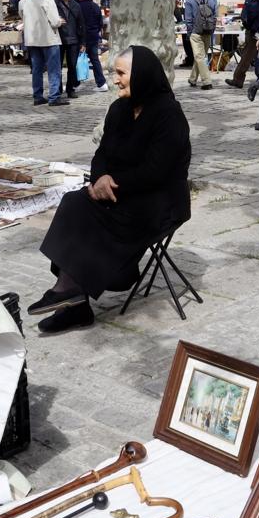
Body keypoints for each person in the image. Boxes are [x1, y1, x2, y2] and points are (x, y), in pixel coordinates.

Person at [28, 46, 191, 332]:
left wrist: (111, 184)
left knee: (101, 215)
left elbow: (157, 172)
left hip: (158, 200)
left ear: (141, 75)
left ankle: (73, 291)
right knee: (73, 203)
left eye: (120, 73)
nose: (115, 80)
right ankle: (73, 298)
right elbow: (101, 154)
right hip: (119, 191)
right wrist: (99, 177)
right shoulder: (119, 109)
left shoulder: (168, 114)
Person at [20, 0, 67, 106]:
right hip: (48, 39)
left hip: (32, 39)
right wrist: (60, 21)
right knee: (53, 69)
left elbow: (22, 15)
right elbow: (54, 20)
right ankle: (54, 97)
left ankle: (38, 95)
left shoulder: (27, 0)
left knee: (37, 69)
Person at [54, 0, 86, 98]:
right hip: (58, 40)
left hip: (73, 40)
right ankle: (57, 88)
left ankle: (70, 88)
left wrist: (83, 42)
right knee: (57, 66)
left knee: (72, 66)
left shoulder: (75, 5)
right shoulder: (54, 4)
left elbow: (81, 24)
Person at [182, 0, 216, 90]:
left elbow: (188, 19)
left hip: (196, 32)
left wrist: (189, 33)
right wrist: (212, 29)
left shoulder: (190, 1)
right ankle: (192, 79)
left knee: (199, 57)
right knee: (201, 56)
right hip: (207, 31)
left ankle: (207, 82)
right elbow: (215, 16)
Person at [76, 0, 108, 91]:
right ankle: (102, 83)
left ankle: (74, 83)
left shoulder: (77, 6)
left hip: (80, 38)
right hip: (93, 37)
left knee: (76, 60)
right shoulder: (95, 6)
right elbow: (100, 23)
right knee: (95, 60)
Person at [177, 0, 195, 67]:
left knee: (190, 40)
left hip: (191, 17)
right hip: (184, 16)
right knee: (185, 40)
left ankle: (192, 60)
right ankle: (189, 59)